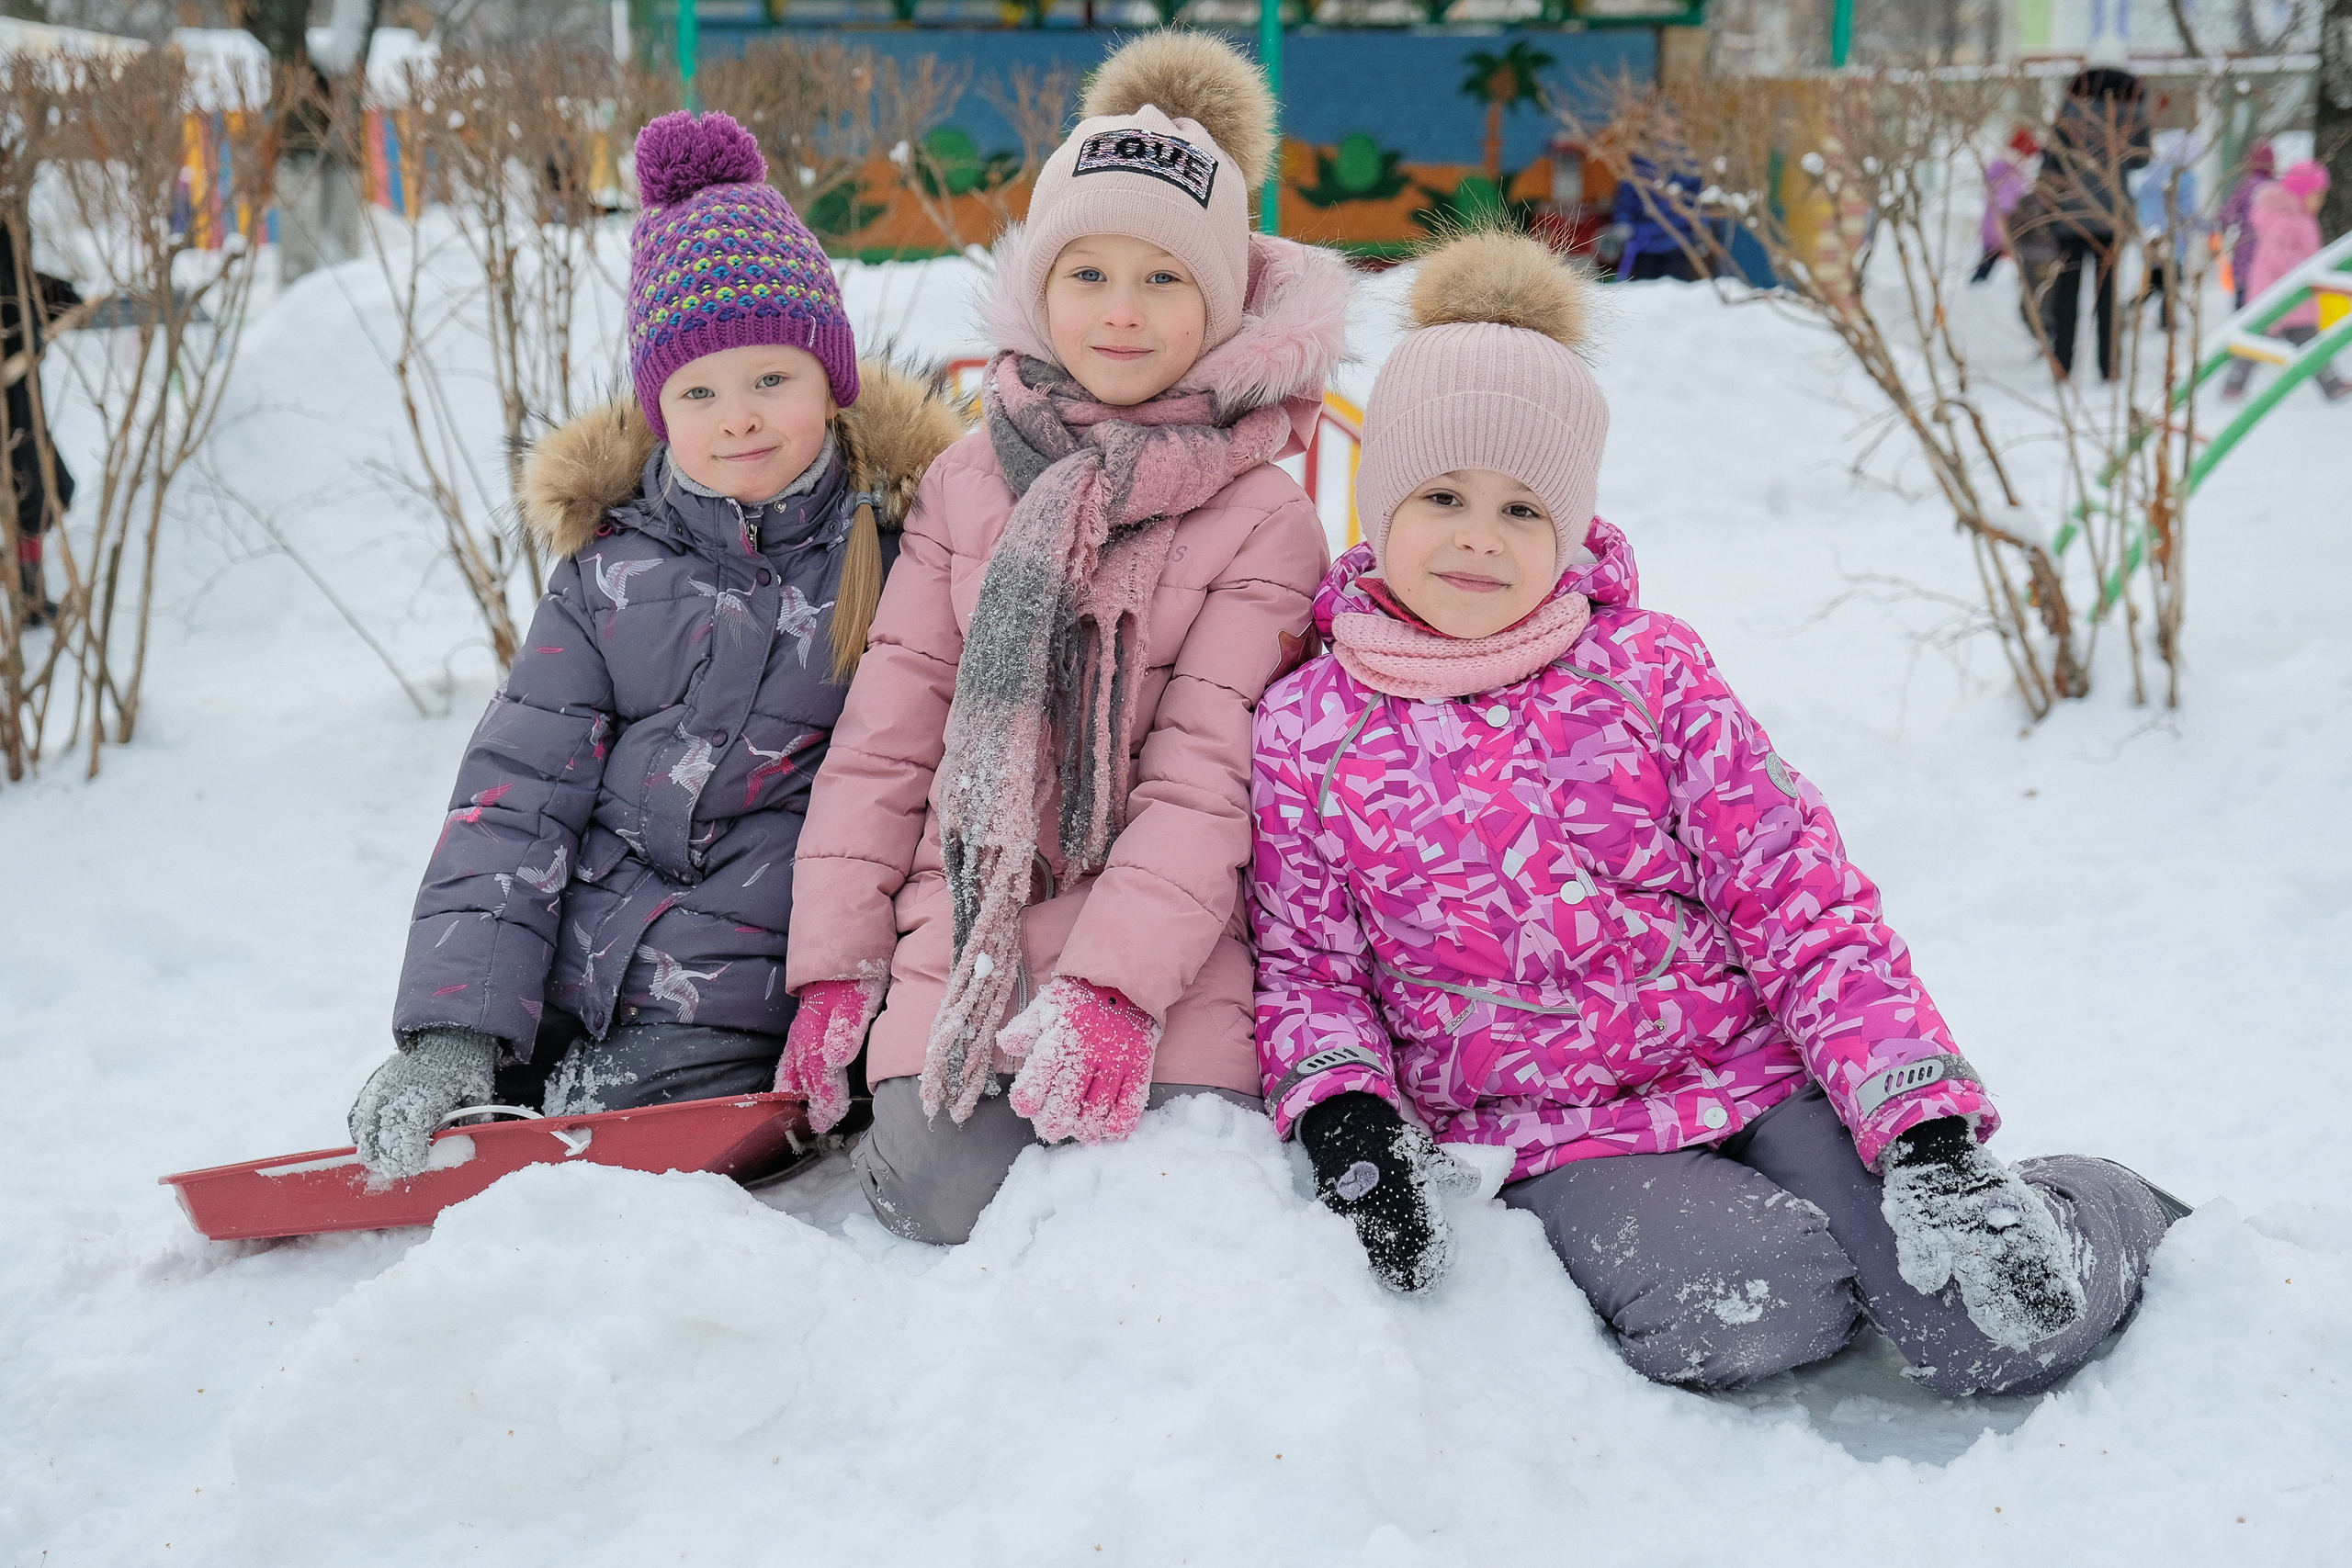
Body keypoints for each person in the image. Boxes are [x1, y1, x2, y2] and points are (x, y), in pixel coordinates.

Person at [1250, 229, 2188, 1394]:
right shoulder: (1309, 729)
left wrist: (1924, 1130)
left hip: (1760, 1074)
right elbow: (1308, 970)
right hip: (1555, 1134)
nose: (1480, 536)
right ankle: (1801, 1254)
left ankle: (2103, 1207)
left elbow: (1800, 905)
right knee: (1747, 1301)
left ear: (1571, 526)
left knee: (1987, 1328)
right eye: (1443, 496)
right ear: (1379, 500)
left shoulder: (1650, 675)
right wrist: (1347, 1115)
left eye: (1523, 509)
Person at [779, 31, 1348, 1246]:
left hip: (1172, 948)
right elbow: (887, 740)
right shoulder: (969, 480)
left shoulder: (1264, 513)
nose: (1121, 313)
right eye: (1088, 272)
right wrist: (835, 964)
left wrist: (1114, 987)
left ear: (1221, 305)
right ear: (1040, 286)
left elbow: (1207, 777)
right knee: (937, 1200)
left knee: (1163, 1209)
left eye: (1164, 279)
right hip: (969, 920)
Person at [346, 111, 966, 1178]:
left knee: (609, 1121)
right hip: (574, 970)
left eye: (771, 379)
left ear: (832, 382)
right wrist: (456, 1024)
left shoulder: (902, 554)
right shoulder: (610, 570)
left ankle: (583, 1122)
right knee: (488, 1087)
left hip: (749, 984)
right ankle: (497, 1077)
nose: (738, 418)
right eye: (698, 391)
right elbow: (517, 793)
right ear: (658, 406)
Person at [2032, 67, 2151, 381]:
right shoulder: (2131, 114)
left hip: (2070, 216)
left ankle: (2062, 364)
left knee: (2067, 294)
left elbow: (2050, 165)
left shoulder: (2069, 114)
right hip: (2110, 217)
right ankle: (2109, 366)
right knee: (2107, 295)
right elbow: (2142, 159)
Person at [2, 220, 79, 629]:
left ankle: (29, 596)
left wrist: (56, 297)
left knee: (40, 490)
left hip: (21, 389)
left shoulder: (8, 223)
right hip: (10, 391)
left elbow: (18, 279)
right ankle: (27, 598)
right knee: (30, 489)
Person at [2222, 162, 2348, 402]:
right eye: (2316, 195)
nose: (2320, 201)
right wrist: (2305, 270)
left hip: (2293, 297)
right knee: (2259, 342)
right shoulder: (2285, 218)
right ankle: (2233, 385)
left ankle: (2332, 385)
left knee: (2308, 341)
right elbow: (2276, 254)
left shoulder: (2301, 217)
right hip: (2277, 294)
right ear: (2301, 193)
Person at [2132, 130, 2202, 331]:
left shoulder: (2155, 173)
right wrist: (2202, 225)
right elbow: (2188, 209)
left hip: (2151, 236)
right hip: (2174, 238)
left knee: (2155, 279)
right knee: (2170, 280)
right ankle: (2167, 318)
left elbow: (2140, 201)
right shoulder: (2185, 177)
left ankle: (2138, 308)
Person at [1608, 154, 1708, 283]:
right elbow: (1625, 205)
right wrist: (1624, 225)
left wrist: (1701, 231)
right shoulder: (1635, 168)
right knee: (1643, 289)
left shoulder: (1687, 168)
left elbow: (1699, 205)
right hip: (1643, 246)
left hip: (1677, 245)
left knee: (1675, 288)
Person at [1968, 126, 2039, 285]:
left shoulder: (2000, 167)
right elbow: (2004, 203)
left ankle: (1977, 285)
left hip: (1992, 224)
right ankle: (1978, 286)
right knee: (1990, 260)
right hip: (2000, 226)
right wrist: (2005, 230)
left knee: (1989, 258)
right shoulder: (2010, 173)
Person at [2215, 140, 2277, 310]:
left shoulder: (2246, 186)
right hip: (2268, 256)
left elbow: (2226, 214)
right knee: (2264, 304)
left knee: (2242, 304)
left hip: (2245, 252)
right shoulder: (2276, 188)